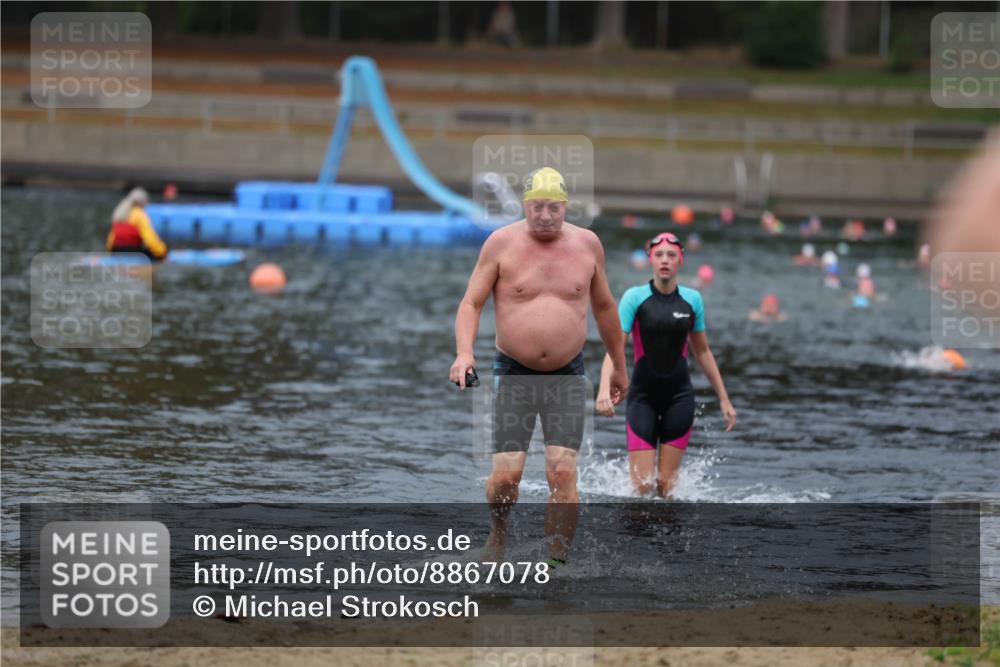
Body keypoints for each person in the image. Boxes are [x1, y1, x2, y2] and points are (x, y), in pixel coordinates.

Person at [450, 166, 628, 565]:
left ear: (565, 206)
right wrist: (464, 353)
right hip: (514, 374)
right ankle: (498, 536)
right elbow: (471, 303)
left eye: (553, 207)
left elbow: (604, 307)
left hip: (567, 375)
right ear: (525, 205)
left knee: (562, 472)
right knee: (505, 478)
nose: (545, 215)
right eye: (536, 207)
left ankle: (557, 561)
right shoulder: (501, 243)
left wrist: (619, 365)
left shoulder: (588, 245)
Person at [596, 232, 736, 498]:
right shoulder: (634, 297)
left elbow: (703, 351)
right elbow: (614, 348)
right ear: (650, 259)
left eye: (671, 255)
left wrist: (724, 399)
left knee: (666, 490)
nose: (664, 260)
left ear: (680, 260)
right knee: (642, 488)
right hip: (642, 398)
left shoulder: (692, 300)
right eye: (659, 254)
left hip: (679, 398)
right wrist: (604, 388)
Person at [106, 187, 167, 261]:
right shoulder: (139, 214)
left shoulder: (120, 214)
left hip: (116, 251)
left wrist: (110, 254)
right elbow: (150, 239)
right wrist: (162, 252)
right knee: (156, 255)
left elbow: (111, 239)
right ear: (143, 202)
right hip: (132, 251)